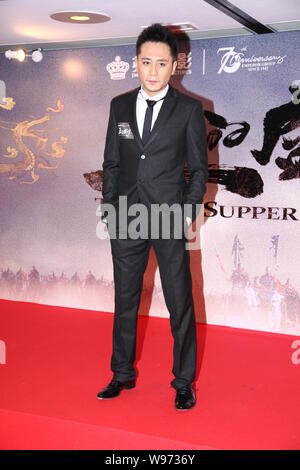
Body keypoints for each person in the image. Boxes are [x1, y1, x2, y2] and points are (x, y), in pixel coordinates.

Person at [97, 23, 208, 410]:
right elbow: (112, 162)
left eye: (161, 63)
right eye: (146, 62)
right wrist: (110, 207)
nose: (153, 71)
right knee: (125, 298)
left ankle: (183, 381)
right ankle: (121, 374)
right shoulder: (119, 105)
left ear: (174, 65)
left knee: (180, 301)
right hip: (126, 215)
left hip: (168, 216)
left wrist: (185, 213)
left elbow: (199, 169)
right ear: (137, 62)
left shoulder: (190, 109)